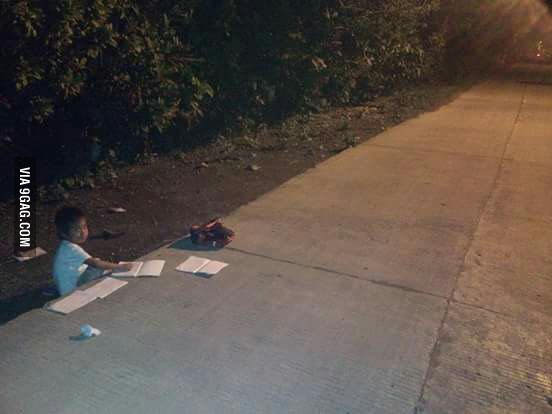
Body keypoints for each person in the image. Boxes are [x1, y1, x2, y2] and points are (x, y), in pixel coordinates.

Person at [52, 206, 132, 296]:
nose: (83, 232)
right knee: (97, 266)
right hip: (71, 291)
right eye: (76, 230)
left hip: (67, 285)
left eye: (84, 227)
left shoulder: (65, 246)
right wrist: (120, 267)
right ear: (64, 233)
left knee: (97, 265)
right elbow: (95, 263)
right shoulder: (72, 249)